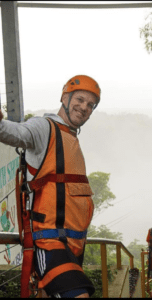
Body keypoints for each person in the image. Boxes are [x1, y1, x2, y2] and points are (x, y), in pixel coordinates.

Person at [0, 75, 101, 298]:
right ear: (65, 97)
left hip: (74, 245)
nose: (84, 107)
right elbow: (16, 133)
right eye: (80, 99)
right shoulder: (44, 127)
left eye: (90, 105)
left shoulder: (71, 137)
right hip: (50, 242)